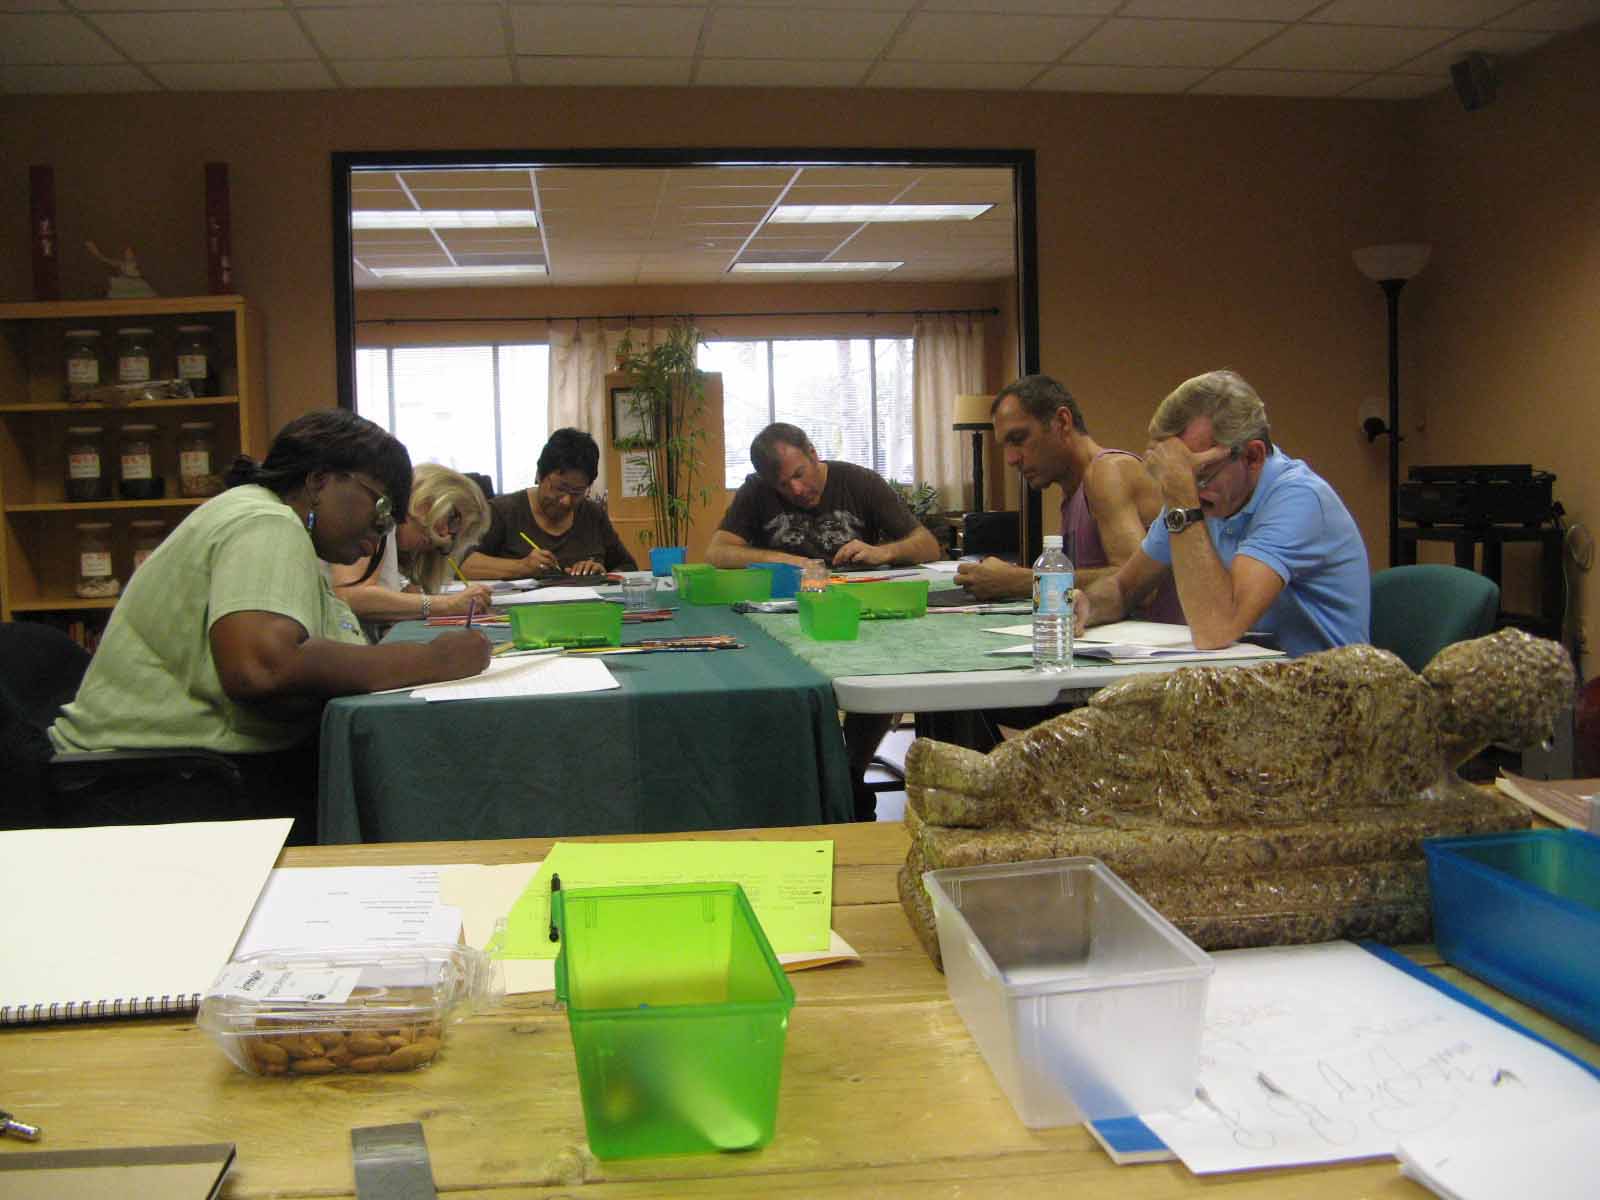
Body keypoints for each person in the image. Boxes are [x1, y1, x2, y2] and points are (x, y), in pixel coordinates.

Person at [49, 410, 492, 841]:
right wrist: (433, 660)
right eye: (381, 508)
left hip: (183, 773)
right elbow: (261, 668)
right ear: (320, 481)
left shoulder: (276, 525)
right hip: (158, 786)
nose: (383, 531)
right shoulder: (266, 522)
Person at [1077, 369, 1370, 657]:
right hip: (1252, 676)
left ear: (1252, 456)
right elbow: (1124, 588)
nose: (1192, 488)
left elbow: (1216, 630)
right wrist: (1085, 606)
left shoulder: (1299, 499)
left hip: (1327, 684)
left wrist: (1182, 494)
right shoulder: (1200, 497)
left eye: (1202, 474)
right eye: (1177, 475)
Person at [954, 375, 1182, 623]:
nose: (1011, 459)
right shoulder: (1072, 491)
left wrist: (1018, 581)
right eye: (1005, 446)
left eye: (1018, 439)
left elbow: (1137, 588)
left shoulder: (1108, 472)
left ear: (1062, 422)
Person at [706, 423, 942, 569]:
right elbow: (717, 552)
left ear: (813, 454)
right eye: (782, 485)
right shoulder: (757, 489)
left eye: (799, 474)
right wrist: (783, 561)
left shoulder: (862, 482)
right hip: (783, 598)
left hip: (854, 597)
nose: (796, 490)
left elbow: (929, 546)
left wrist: (884, 553)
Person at [330, 462, 495, 640]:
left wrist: (408, 600)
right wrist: (446, 605)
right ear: (431, 493)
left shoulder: (397, 542)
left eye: (454, 537)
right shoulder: (380, 513)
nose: (445, 537)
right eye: (452, 520)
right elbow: (350, 596)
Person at [462, 428, 637, 579]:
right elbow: (460, 564)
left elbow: (627, 567)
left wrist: (602, 572)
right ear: (539, 475)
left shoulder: (593, 514)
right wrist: (521, 567)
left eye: (577, 492)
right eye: (560, 488)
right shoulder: (503, 512)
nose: (566, 501)